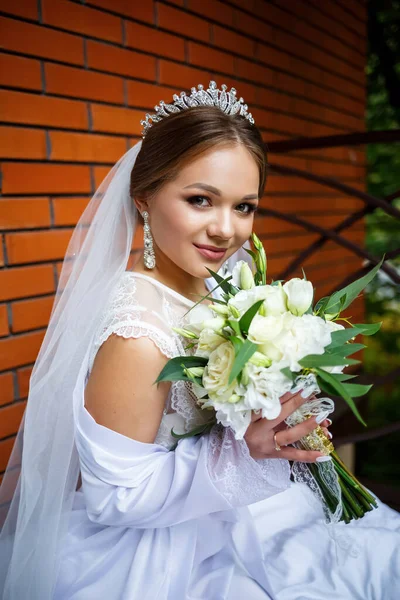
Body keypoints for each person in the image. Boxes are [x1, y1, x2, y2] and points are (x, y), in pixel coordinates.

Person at [0, 82, 399, 600]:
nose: (225, 230)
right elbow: (115, 499)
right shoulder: (136, 334)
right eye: (200, 200)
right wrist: (243, 454)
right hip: (161, 552)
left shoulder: (217, 283)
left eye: (244, 207)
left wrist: (276, 409)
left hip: (235, 511)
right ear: (144, 200)